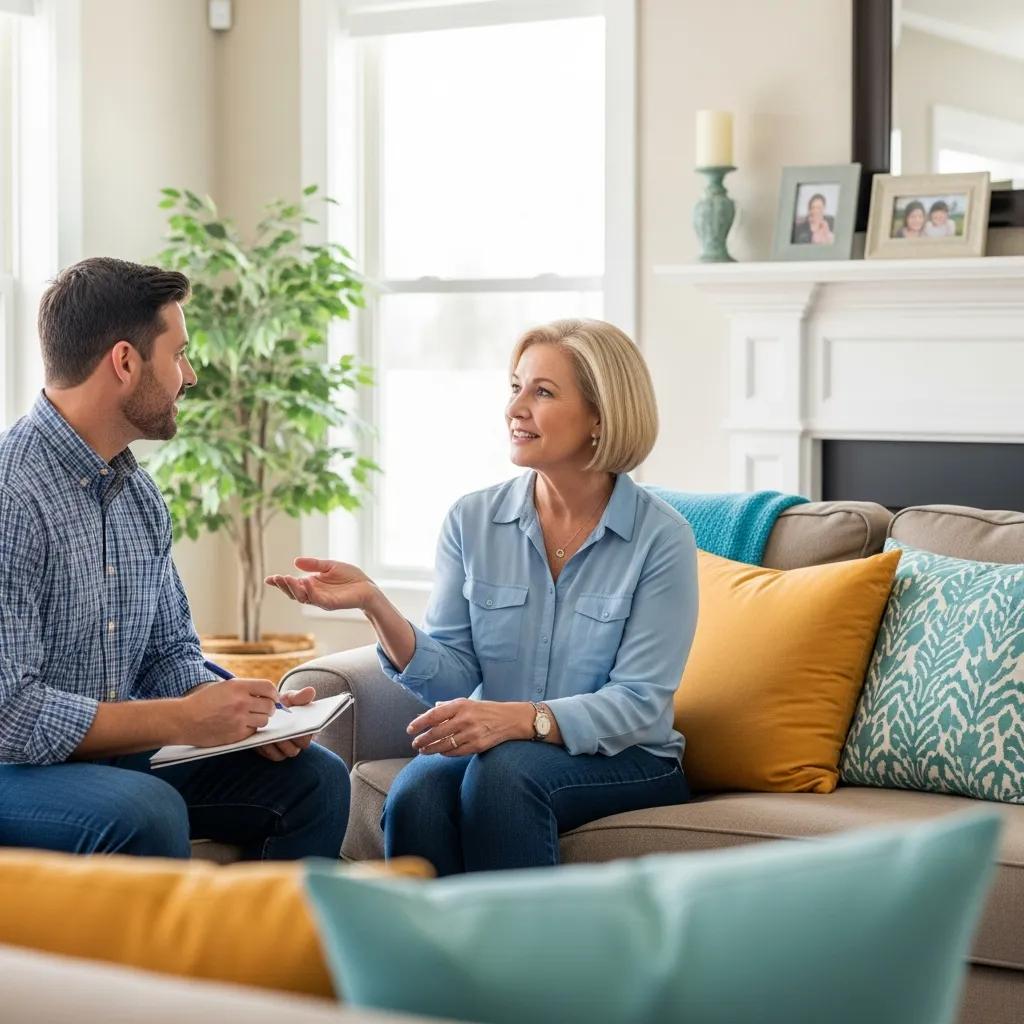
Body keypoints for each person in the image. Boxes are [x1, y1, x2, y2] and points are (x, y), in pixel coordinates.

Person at [266, 318, 699, 875]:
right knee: (417, 791)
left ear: (600, 416)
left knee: (506, 773)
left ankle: (514, 962)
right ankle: (425, 959)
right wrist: (375, 603)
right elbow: (451, 675)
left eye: (542, 392)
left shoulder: (661, 538)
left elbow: (639, 702)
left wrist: (521, 720)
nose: (516, 408)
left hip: (628, 756)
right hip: (503, 750)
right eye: (515, 387)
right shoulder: (473, 520)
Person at [0, 257, 349, 860]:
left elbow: (169, 653)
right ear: (126, 361)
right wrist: (180, 720)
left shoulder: (139, 497)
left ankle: (263, 957)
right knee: (146, 811)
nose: (188, 376)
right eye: (179, 353)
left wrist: (246, 708)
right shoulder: (12, 495)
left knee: (317, 780)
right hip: (15, 768)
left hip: (115, 756)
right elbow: (11, 714)